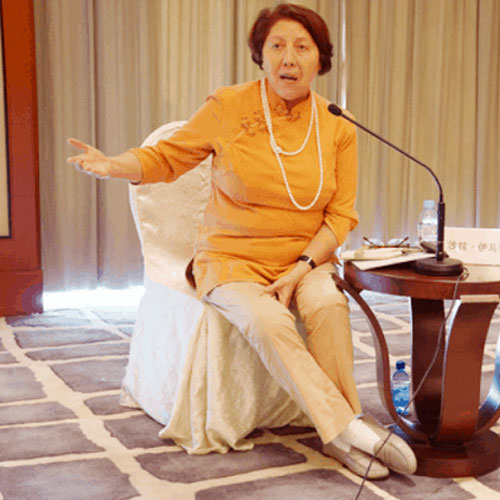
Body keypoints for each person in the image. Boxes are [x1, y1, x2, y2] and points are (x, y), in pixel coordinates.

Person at [67, 3, 416, 480]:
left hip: (306, 258)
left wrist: (301, 267)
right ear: (261, 55)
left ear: (320, 59)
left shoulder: (337, 123)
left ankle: (340, 433)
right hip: (231, 258)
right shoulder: (228, 106)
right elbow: (166, 158)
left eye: (302, 47)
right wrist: (114, 165)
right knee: (266, 319)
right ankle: (348, 430)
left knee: (329, 307)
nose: (288, 58)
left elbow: (340, 216)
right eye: (277, 46)